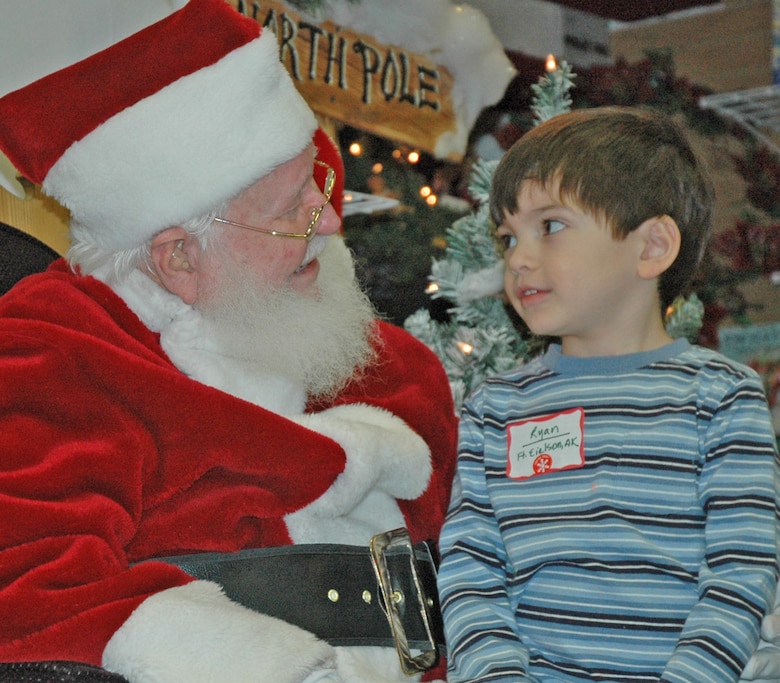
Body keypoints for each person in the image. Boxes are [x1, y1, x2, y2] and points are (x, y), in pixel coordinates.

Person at [0, 1, 457, 681]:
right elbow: (33, 594)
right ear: (179, 258)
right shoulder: (59, 358)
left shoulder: (385, 363)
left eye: (319, 180)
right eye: (291, 211)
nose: (331, 221)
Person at [437, 106, 780, 682]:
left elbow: (741, 573)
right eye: (508, 237)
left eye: (550, 226)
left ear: (652, 247)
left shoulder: (721, 397)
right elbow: (472, 572)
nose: (518, 258)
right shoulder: (495, 409)